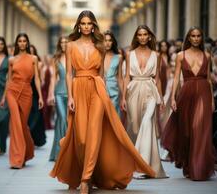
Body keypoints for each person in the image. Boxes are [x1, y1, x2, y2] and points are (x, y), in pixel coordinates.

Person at [50, 10, 155, 194]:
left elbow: (102, 75)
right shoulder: (71, 46)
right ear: (78, 25)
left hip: (97, 89)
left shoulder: (100, 45)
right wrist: (71, 97)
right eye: (82, 23)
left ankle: (85, 179)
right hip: (78, 88)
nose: (86, 27)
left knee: (94, 134)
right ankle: (87, 173)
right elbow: (68, 74)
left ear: (94, 26)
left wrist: (105, 95)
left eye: (89, 23)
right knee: (81, 138)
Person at [161, 27, 216, 181]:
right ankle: (188, 164)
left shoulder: (207, 55)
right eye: (193, 36)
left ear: (201, 38)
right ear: (188, 38)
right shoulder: (180, 55)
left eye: (199, 36)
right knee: (187, 131)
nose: (196, 38)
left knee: (200, 130)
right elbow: (177, 78)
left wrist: (211, 100)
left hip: (204, 94)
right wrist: (172, 98)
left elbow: (210, 80)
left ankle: (198, 168)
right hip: (186, 95)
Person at [121, 25, 167, 178]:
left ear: (149, 36)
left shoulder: (156, 54)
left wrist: (160, 98)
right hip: (133, 90)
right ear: (136, 37)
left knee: (147, 122)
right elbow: (126, 76)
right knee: (134, 127)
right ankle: (134, 162)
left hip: (150, 89)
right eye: (139, 34)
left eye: (145, 34)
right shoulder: (129, 54)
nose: (142, 37)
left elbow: (158, 78)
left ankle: (145, 166)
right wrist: (123, 97)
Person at [1, 33, 43, 169]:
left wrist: (41, 96)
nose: (22, 43)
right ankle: (16, 159)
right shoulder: (11, 60)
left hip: (27, 92)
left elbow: (36, 78)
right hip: (12, 91)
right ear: (17, 43)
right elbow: (9, 79)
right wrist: (3, 97)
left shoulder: (33, 59)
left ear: (27, 42)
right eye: (20, 41)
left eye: (24, 41)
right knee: (15, 124)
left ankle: (26, 152)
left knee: (23, 125)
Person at [48, 36, 68, 161]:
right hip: (59, 92)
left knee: (67, 120)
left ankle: (60, 152)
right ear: (59, 44)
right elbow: (53, 78)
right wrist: (50, 94)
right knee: (62, 117)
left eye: (66, 42)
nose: (64, 44)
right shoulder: (55, 59)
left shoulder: (74, 57)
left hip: (72, 92)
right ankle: (63, 150)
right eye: (62, 42)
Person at [28, 44, 46, 146]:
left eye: (32, 51)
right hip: (26, 88)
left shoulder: (39, 64)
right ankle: (29, 135)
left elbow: (41, 79)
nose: (30, 52)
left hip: (35, 89)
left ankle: (33, 135)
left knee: (36, 113)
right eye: (29, 51)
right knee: (29, 114)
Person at [103, 30, 123, 115]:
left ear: (113, 42)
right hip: (101, 89)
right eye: (105, 40)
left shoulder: (119, 57)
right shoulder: (98, 56)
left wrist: (124, 97)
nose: (107, 43)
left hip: (114, 91)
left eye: (109, 40)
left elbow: (120, 77)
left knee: (114, 116)